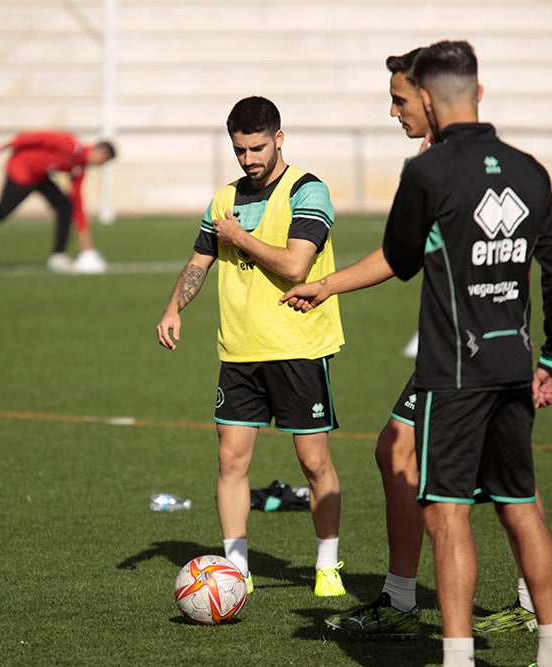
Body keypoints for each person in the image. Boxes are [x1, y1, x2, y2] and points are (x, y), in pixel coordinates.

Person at [281, 40, 552, 667]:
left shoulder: (429, 173)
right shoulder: (528, 169)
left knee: (448, 518)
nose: (394, 110)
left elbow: (399, 258)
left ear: (427, 94)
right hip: (511, 361)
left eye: (399, 98)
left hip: (455, 371)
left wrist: (328, 283)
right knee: (517, 504)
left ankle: (456, 655)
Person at [156, 96, 347, 597]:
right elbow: (200, 260)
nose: (248, 159)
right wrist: (174, 306)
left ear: (279, 139)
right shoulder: (223, 200)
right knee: (230, 460)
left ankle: (327, 562)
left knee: (313, 462)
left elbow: (295, 267)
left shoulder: (309, 190)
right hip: (238, 352)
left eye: (257, 148)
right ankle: (236, 567)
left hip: (298, 349)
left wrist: (239, 237)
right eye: (240, 150)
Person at [0, 131, 116, 275]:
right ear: (100, 152)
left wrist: (83, 233)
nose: (100, 166)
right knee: (1, 212)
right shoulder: (71, 144)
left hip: (40, 176)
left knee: (65, 206)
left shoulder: (79, 167)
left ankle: (58, 258)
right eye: (103, 162)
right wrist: (2, 147)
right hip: (21, 171)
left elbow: (77, 199)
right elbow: (32, 137)